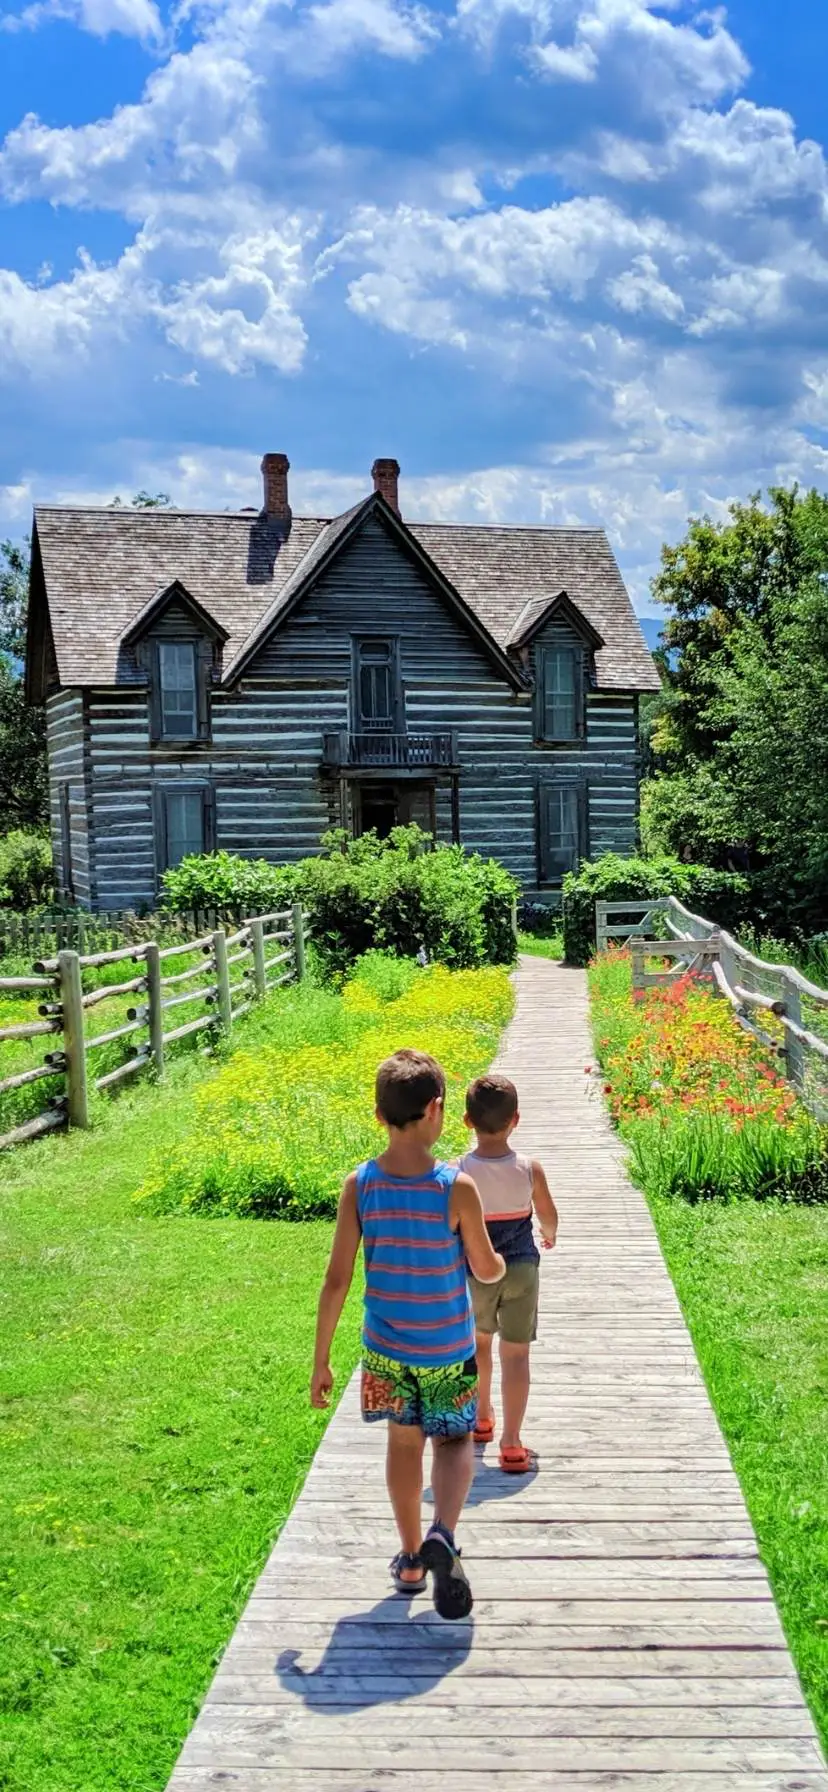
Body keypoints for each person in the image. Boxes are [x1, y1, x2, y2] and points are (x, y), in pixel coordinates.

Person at [310, 1048, 506, 1620]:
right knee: (452, 1441)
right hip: (447, 1346)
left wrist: (321, 1361)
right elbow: (486, 1265)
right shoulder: (456, 1187)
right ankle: (443, 1532)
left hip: (386, 1351)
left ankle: (410, 1558)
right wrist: (493, 1270)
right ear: (437, 1110)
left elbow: (337, 1279)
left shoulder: (360, 1185)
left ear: (380, 1115)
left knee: (403, 1442)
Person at [459, 1073, 558, 1474]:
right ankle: (512, 1443)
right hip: (521, 1269)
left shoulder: (460, 1171)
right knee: (516, 1355)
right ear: (515, 1119)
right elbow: (548, 1217)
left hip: (475, 1271)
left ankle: (482, 1416)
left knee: (479, 1344)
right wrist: (548, 1234)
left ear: (467, 1122)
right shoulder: (529, 1169)